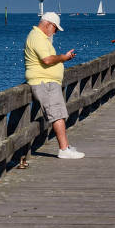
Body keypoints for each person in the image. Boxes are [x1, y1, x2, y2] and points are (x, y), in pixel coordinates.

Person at [24, 12, 85, 159]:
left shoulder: (41, 38)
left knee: (59, 113)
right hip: (44, 82)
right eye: (55, 29)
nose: (56, 32)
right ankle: (63, 149)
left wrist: (63, 58)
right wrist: (63, 58)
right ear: (48, 25)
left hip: (48, 82)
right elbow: (47, 60)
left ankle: (65, 146)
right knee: (57, 114)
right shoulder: (37, 37)